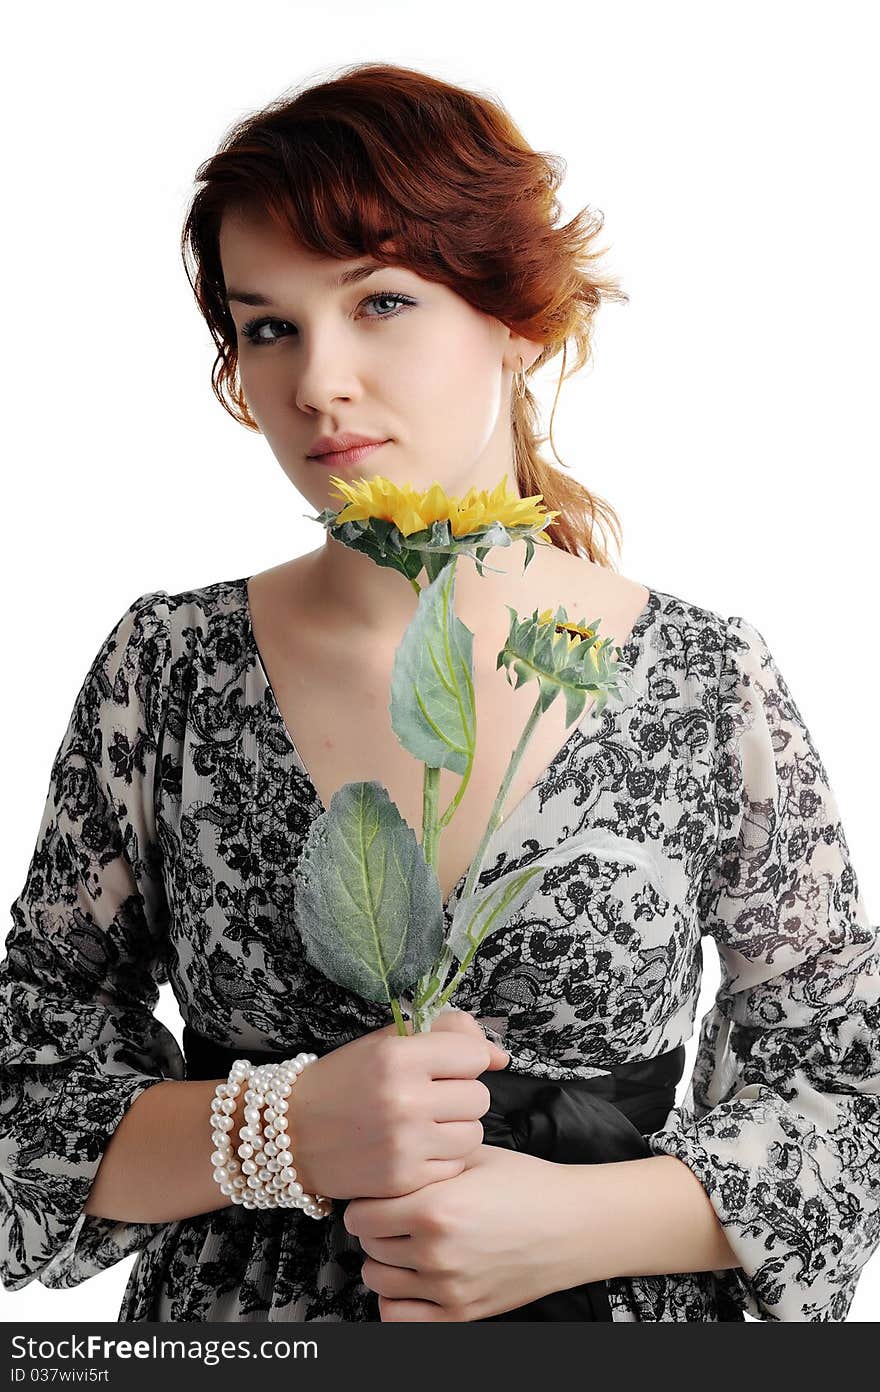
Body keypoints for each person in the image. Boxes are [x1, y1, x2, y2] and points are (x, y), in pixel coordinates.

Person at [1, 61, 878, 1324]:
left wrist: (583, 1224)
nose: (316, 382)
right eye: (268, 326)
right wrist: (277, 1132)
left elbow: (841, 1082)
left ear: (517, 319)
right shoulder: (167, 668)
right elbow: (28, 1083)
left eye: (383, 302)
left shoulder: (703, 678)